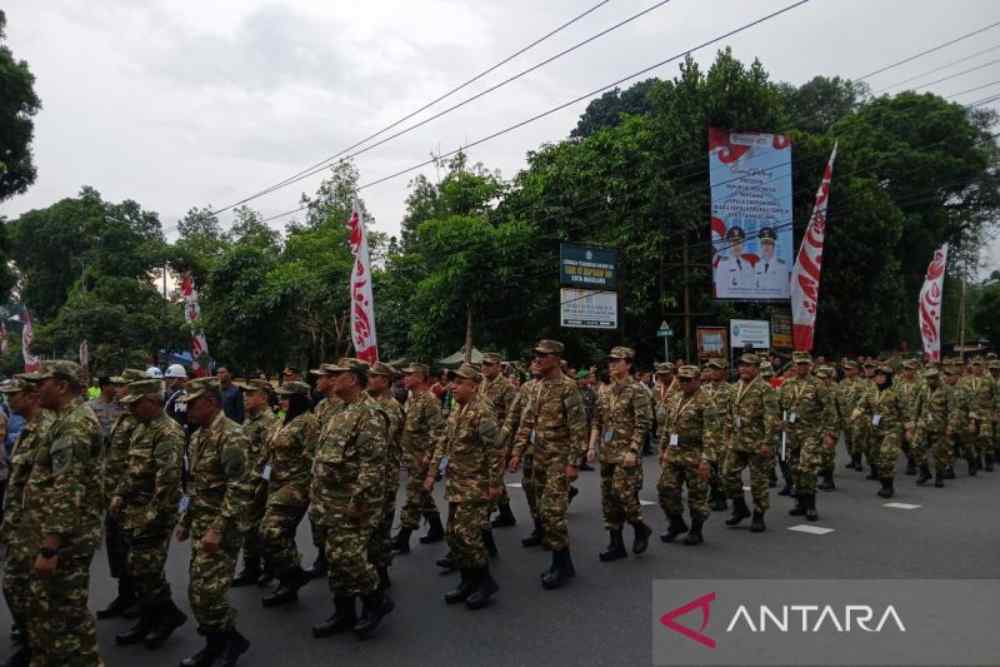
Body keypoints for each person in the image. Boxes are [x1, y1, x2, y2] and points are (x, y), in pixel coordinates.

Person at [22, 361, 105, 666]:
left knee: (65, 615)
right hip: (62, 533)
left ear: (61, 385)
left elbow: (69, 489)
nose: (35, 389)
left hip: (68, 538)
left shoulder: (74, 425)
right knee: (55, 612)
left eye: (41, 382)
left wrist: (50, 545)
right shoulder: (64, 418)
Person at [310, 358, 394, 640]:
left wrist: (359, 502)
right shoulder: (340, 411)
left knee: (350, 557)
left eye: (338, 375)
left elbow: (373, 465)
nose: (331, 379)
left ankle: (376, 601)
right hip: (329, 501)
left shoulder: (369, 414)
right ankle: (344, 612)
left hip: (352, 502)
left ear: (355, 380)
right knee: (335, 560)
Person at [175, 377, 256, 667]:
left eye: (193, 404)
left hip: (223, 527)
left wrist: (216, 529)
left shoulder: (232, 436)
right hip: (202, 522)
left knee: (207, 592)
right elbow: (196, 484)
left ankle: (229, 643)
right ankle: (218, 643)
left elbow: (240, 488)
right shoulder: (199, 435)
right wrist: (186, 519)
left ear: (210, 403)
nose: (187, 410)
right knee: (198, 591)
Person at [110, 378, 187, 649]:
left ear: (152, 402)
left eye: (136, 403)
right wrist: (119, 494)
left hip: (154, 513)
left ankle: (165, 617)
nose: (130, 408)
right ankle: (150, 617)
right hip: (135, 509)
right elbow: (132, 469)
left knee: (147, 567)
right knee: (138, 567)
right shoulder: (142, 428)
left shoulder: (168, 432)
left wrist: (151, 517)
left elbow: (167, 484)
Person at [509, 339, 588, 590]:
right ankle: (561, 562)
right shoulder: (537, 387)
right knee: (542, 510)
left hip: (559, 458)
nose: (537, 359)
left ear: (556, 358)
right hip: (539, 456)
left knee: (553, 513)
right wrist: (517, 452)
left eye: (542, 355)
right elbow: (526, 423)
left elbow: (578, 428)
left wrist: (574, 463)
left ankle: (562, 564)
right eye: (536, 354)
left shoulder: (568, 387)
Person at [424, 363, 502, 609]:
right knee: (454, 534)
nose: (453, 386)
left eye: (459, 383)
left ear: (474, 386)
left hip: (476, 484)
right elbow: (443, 443)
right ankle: (468, 581)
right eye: (453, 382)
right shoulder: (457, 409)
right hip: (457, 482)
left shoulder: (482, 411)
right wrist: (431, 472)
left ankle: (485, 582)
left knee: (468, 535)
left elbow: (495, 450)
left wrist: (494, 483)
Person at [586, 346, 653, 561]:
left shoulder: (637, 390)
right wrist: (591, 446)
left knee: (623, 494)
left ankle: (640, 526)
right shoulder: (603, 390)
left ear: (629, 364)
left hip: (626, 454)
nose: (612, 364)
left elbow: (643, 423)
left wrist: (634, 449)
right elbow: (596, 420)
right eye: (610, 360)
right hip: (607, 453)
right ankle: (616, 544)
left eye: (617, 360)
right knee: (608, 499)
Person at [257, 381, 319, 607]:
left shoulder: (308, 423)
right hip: (274, 482)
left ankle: (293, 575)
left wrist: (313, 490)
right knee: (282, 534)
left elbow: (315, 458)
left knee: (270, 532)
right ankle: (289, 581)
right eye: (280, 396)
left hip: (296, 486)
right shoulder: (281, 419)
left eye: (285, 397)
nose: (280, 401)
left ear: (298, 399)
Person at [0, 376, 48, 667]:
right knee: (15, 585)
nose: (8, 400)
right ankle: (33, 641)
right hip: (21, 522)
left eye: (13, 395)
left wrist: (51, 542)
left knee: (34, 591)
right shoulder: (30, 428)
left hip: (38, 526)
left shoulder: (46, 428)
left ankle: (39, 647)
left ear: (31, 396)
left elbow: (63, 486)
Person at [97, 368, 148, 622]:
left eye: (123, 385)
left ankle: (141, 598)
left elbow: (137, 465)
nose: (118, 389)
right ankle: (125, 594)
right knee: (116, 547)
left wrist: (121, 493)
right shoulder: (122, 415)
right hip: (113, 492)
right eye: (116, 385)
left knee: (133, 550)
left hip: (130, 496)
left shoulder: (140, 421)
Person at [391, 362, 446, 554]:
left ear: (421, 377)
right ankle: (437, 528)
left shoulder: (429, 400)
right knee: (422, 494)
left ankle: (403, 538)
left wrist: (430, 457)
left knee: (414, 497)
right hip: (411, 455)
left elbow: (438, 431)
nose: (404, 377)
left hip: (422, 457)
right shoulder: (412, 399)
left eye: (409, 374)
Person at [723, 353, 780, 532]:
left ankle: (758, 514)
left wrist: (768, 443)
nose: (743, 369)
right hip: (738, 441)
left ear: (756, 368)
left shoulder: (765, 389)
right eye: (741, 365)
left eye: (747, 366)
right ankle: (740, 508)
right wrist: (727, 435)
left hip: (757, 443)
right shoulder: (734, 388)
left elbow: (771, 418)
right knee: (727, 474)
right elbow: (729, 414)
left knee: (758, 482)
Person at [231, 379, 279, 588]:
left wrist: (262, 483)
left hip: (259, 482)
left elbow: (269, 457)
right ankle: (252, 568)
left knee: (260, 527)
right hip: (245, 481)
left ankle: (268, 568)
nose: (245, 398)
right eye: (245, 394)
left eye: (251, 394)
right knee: (247, 526)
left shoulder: (269, 421)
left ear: (264, 398)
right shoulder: (250, 419)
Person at [657, 365, 712, 545]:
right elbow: (668, 426)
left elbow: (711, 433)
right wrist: (663, 448)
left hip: (694, 455)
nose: (684, 383)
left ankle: (696, 530)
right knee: (665, 488)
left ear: (698, 380)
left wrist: (706, 460)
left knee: (697, 495)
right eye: (681, 380)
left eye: (688, 380)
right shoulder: (675, 398)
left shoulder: (706, 402)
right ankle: (676, 523)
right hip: (674, 453)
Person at [778, 352, 836, 521]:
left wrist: (829, 433)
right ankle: (800, 503)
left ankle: (811, 505)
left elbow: (830, 409)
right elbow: (778, 406)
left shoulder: (818, 384)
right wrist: (778, 422)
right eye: (798, 364)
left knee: (808, 466)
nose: (801, 367)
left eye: (804, 364)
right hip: (792, 432)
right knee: (795, 467)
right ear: (794, 365)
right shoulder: (786, 384)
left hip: (812, 432)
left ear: (809, 365)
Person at [366, 362, 404, 591]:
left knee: (380, 525)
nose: (369, 380)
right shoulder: (372, 404)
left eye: (374, 376)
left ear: (385, 381)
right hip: (375, 473)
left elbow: (379, 442)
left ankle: (381, 571)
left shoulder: (390, 407)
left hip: (384, 474)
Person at [305, 362, 346, 578]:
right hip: (319, 471)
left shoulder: (345, 407)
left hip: (338, 476)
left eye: (321, 377)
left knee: (338, 523)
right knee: (317, 517)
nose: (317, 381)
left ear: (332, 380)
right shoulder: (321, 407)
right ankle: (322, 555)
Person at [853, 365, 905, 499]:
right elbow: (861, 406)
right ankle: (883, 482)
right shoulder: (870, 391)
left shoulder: (896, 391)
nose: (880, 378)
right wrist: (855, 415)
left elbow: (906, 411)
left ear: (888, 378)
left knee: (886, 456)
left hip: (892, 429)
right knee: (875, 457)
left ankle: (888, 487)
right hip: (875, 430)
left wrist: (909, 428)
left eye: (883, 376)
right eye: (877, 376)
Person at [479, 353, 517, 530]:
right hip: (484, 437)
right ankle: (506, 514)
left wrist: (506, 441)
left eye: (488, 364)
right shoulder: (482, 383)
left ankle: (481, 520)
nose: (484, 367)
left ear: (498, 366)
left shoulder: (507, 387)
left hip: (499, 438)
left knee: (491, 478)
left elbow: (512, 415)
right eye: (483, 364)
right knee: (495, 478)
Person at [701, 357, 733, 512]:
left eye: (716, 369)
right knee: (708, 467)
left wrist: (731, 435)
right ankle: (714, 493)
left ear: (724, 371)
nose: (713, 371)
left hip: (723, 434)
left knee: (722, 469)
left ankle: (720, 497)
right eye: (711, 368)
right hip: (706, 434)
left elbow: (734, 414)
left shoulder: (731, 390)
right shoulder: (703, 389)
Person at [914, 367, 950, 487]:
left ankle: (939, 476)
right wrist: (912, 422)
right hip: (923, 424)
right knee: (916, 446)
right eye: (928, 379)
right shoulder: (924, 389)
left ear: (937, 378)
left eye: (933, 378)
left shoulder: (946, 390)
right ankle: (924, 472)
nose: (930, 381)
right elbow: (917, 407)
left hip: (939, 426)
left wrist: (950, 426)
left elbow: (953, 410)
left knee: (938, 452)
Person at [715, 226, 757, 292]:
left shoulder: (747, 264)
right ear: (729, 244)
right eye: (733, 242)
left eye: (739, 242)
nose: (736, 246)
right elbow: (720, 290)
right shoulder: (723, 264)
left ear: (743, 244)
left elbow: (752, 287)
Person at [753, 226, 788, 293]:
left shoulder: (782, 266)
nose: (766, 246)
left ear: (774, 246)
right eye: (764, 243)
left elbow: (785, 289)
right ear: (761, 246)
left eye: (769, 243)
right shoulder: (754, 265)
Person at [164, 364, 189, 428]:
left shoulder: (182, 396)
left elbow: (180, 420)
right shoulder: (172, 394)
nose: (167, 380)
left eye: (171, 378)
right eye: (166, 378)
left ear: (181, 379)